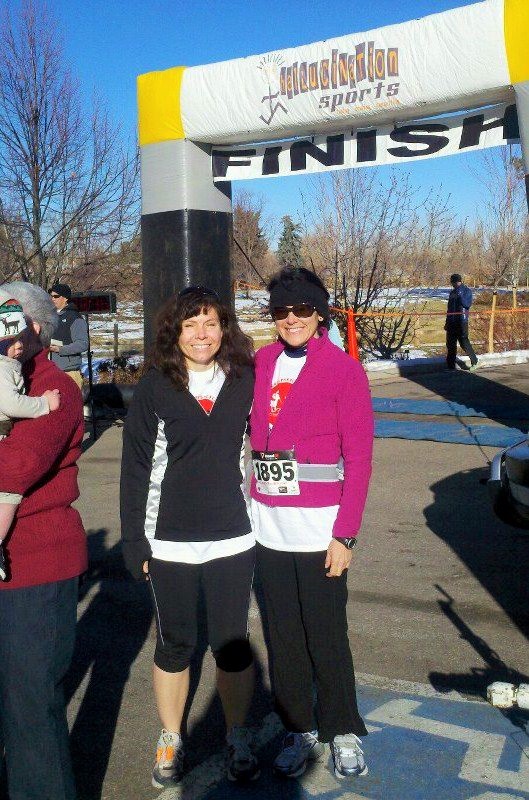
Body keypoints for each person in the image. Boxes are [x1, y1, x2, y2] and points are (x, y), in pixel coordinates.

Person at [120, 286, 259, 789]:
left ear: (225, 329)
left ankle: (237, 734)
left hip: (233, 538)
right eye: (190, 325)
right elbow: (135, 469)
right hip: (169, 541)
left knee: (231, 643)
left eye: (211, 324)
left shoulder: (245, 380)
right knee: (175, 643)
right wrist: (134, 540)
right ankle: (171, 735)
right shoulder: (156, 387)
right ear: (174, 333)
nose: (201, 334)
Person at [250, 266, 374, 780]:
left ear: (319, 312)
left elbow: (360, 459)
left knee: (326, 633)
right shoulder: (260, 362)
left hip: (321, 530)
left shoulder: (343, 370)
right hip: (267, 531)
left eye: (302, 309)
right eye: (282, 310)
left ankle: (342, 727)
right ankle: (299, 727)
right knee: (283, 637)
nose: (292, 319)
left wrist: (345, 534)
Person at [0, 281, 87, 800]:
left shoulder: (56, 388)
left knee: (29, 707)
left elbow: (17, 465)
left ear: (38, 327)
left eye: (16, 317)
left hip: (33, 565)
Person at [0, 290, 61, 581]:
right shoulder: (8, 369)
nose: (15, 346)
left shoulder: (52, 382)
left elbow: (20, 464)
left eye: (16, 338)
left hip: (37, 559)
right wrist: (42, 405)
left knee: (8, 491)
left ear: (33, 330)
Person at [49, 283, 89, 388]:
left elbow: (83, 344)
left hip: (69, 372)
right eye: (51, 296)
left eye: (56, 296)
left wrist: (60, 349)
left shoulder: (75, 317)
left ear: (65, 298)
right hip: (52, 370)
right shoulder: (50, 316)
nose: (52, 299)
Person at [445, 273, 478, 371]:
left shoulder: (466, 291)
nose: (452, 285)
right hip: (451, 321)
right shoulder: (452, 293)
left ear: (457, 281)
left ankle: (474, 361)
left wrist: (460, 295)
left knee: (464, 343)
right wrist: (447, 321)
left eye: (453, 283)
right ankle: (450, 366)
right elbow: (449, 309)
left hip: (462, 321)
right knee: (450, 344)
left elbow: (467, 304)